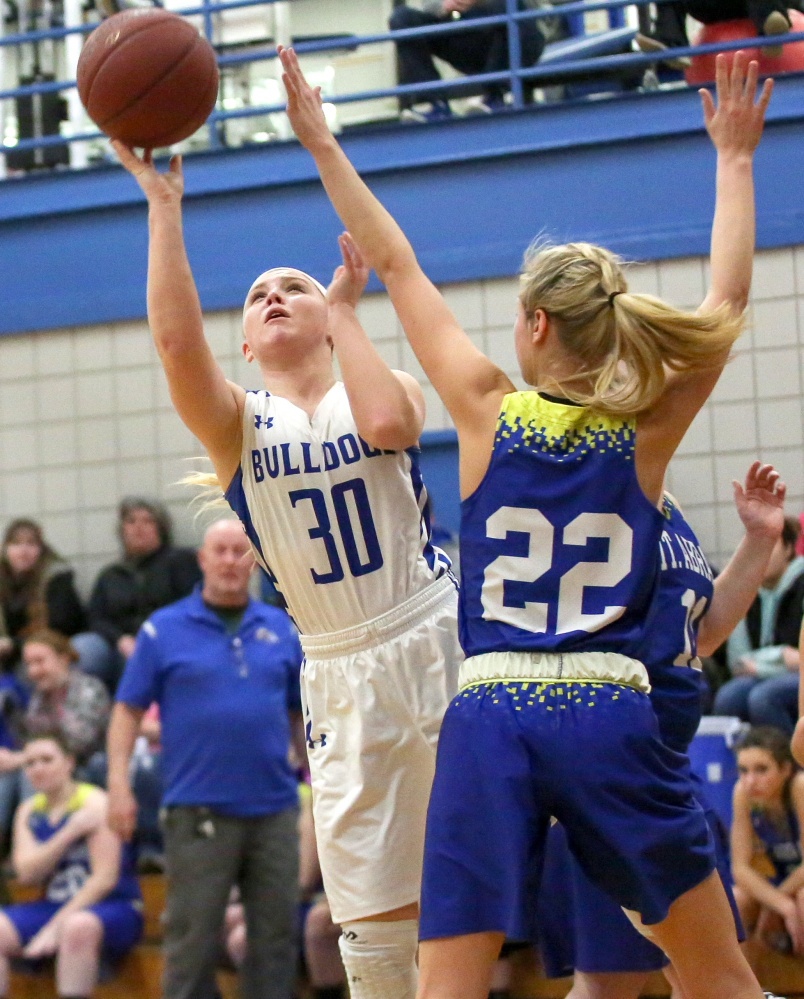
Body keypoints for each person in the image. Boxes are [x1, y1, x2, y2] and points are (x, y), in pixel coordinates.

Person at [278, 41, 773, 999]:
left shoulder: (483, 409)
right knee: (722, 982)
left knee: (448, 989)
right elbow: (728, 300)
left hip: (493, 708)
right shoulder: (642, 435)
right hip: (609, 710)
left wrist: (321, 144)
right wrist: (736, 159)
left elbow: (394, 259)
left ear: (537, 325)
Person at [113, 120, 461, 999]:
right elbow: (173, 342)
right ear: (243, 343)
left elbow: (389, 428)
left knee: (496, 867)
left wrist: (348, 312)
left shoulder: (380, 383)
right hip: (339, 668)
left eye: (295, 287)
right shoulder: (237, 426)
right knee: (375, 917)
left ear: (328, 311)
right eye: (259, 294)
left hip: (432, 632)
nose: (273, 295)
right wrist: (164, 211)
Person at [536, 462, 785, 999]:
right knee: (619, 981)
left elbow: (704, 632)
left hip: (664, 768)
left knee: (689, 974)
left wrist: (759, 540)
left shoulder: (666, 507)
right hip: (612, 769)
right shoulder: (594, 494)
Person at [106, 518, 308, 999]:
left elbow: (300, 717)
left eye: (240, 551)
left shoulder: (281, 628)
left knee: (275, 939)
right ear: (201, 559)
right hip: (197, 810)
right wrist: (117, 784)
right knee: (192, 940)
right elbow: (126, 710)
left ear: (255, 562)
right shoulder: (163, 630)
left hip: (275, 810)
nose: (229, 561)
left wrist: (318, 783)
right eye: (219, 550)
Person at [0, 730, 142, 999]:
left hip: (113, 906)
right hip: (56, 904)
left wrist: (55, 928)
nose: (37, 768)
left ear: (68, 762)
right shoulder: (29, 810)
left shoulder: (96, 803)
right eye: (30, 763)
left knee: (76, 927)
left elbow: (105, 879)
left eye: (46, 759)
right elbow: (27, 873)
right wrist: (68, 833)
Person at [87, 497, 202, 691]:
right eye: (131, 521)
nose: (139, 527)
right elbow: (96, 618)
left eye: (148, 521)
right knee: (86, 650)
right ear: (122, 531)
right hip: (121, 644)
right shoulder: (111, 574)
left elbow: (194, 604)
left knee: (138, 660)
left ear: (161, 529)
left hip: (169, 638)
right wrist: (120, 639)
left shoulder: (181, 561)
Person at [713, 515, 804, 734]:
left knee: (764, 698)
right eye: (756, 549)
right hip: (767, 675)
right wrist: (781, 656)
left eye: (770, 547)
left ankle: (788, 766)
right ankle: (746, 766)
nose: (761, 557)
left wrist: (760, 663)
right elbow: (738, 662)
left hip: (794, 676)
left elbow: (800, 660)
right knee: (728, 697)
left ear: (789, 549)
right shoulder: (748, 589)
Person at [389, 0, 545, 121]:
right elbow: (429, 5)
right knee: (402, 18)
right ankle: (435, 104)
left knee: (505, 5)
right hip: (466, 33)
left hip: (519, 34)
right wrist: (444, 5)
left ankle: (496, 96)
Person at [0, 519, 108, 681]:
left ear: (41, 550)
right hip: (15, 656)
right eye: (16, 544)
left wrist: (14, 645)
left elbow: (60, 625)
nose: (23, 551)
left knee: (88, 648)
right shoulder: (3, 582)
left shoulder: (56, 578)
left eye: (31, 544)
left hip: (60, 647)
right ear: (6, 550)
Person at [731, 726, 804, 955]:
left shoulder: (799, 787)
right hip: (783, 884)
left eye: (761, 770)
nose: (750, 781)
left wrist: (778, 902)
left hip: (797, 886)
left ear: (785, 769)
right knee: (736, 899)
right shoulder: (742, 793)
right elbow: (740, 869)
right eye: (743, 770)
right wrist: (780, 903)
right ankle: (743, 990)